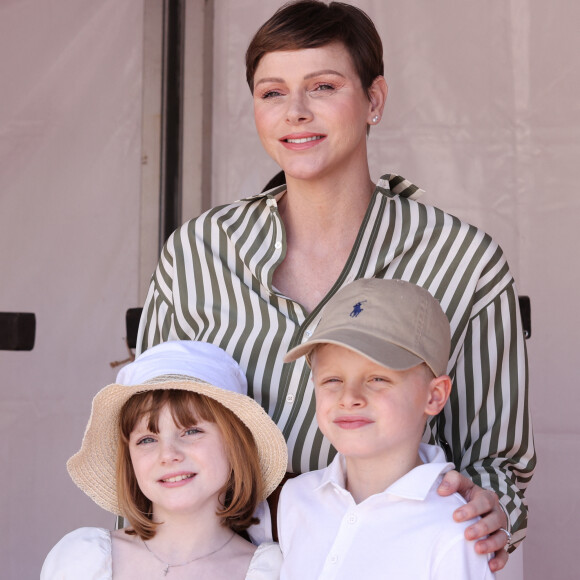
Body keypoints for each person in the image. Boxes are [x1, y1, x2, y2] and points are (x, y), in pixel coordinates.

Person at [136, 0, 534, 571]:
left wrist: (493, 508)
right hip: (217, 565)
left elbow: (498, 461)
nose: (295, 112)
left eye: (322, 86)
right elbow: (143, 432)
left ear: (373, 100)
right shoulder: (197, 253)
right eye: (272, 92)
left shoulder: (464, 261)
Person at [279, 277, 495, 579]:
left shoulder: (454, 531)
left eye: (377, 378)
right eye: (332, 380)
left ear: (434, 396)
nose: (349, 397)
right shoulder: (297, 498)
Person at [41, 341, 287, 579]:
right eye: (147, 439)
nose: (168, 455)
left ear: (236, 446)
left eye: (191, 431)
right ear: (130, 460)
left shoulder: (273, 572)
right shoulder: (83, 562)